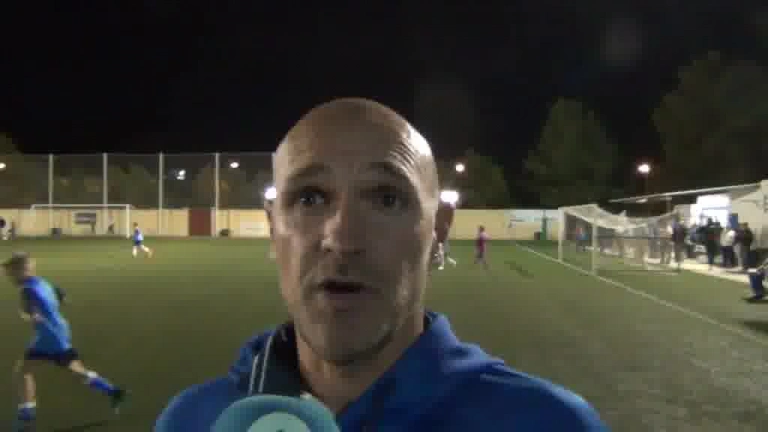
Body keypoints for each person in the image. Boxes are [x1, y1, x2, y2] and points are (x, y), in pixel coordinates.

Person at [155, 98, 607, 431]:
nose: (342, 240)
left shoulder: (547, 423)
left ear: (439, 232)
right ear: (274, 230)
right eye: (310, 198)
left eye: (386, 199)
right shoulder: (193, 420)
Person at [4, 252, 127, 431]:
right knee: (74, 369)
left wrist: (29, 315)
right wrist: (57, 303)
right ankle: (113, 391)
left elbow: (29, 311)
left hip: (49, 336)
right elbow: (60, 293)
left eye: (11, 272)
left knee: (23, 370)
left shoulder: (27, 290)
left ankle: (26, 417)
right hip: (59, 330)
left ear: (22, 270)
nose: (9, 276)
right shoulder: (42, 282)